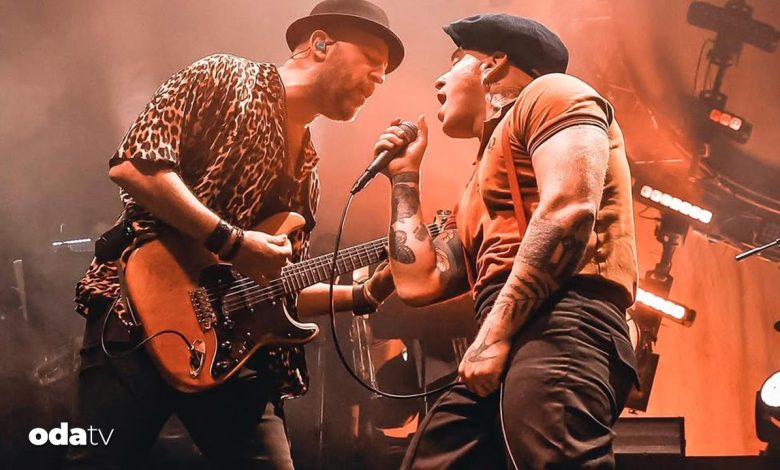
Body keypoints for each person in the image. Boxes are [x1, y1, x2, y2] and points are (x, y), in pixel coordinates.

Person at [65, 1, 402, 468]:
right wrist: (233, 243)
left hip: (227, 352)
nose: (379, 79)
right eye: (372, 60)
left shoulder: (307, 174)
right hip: (136, 315)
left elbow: (269, 287)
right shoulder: (225, 77)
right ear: (321, 43)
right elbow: (135, 166)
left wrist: (361, 295)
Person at [373, 13, 641, 469]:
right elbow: (419, 283)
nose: (439, 80)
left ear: (493, 64)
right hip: (510, 326)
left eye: (455, 60)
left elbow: (569, 210)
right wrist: (403, 179)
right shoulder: (476, 186)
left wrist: (494, 336)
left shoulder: (552, 93)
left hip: (563, 318)